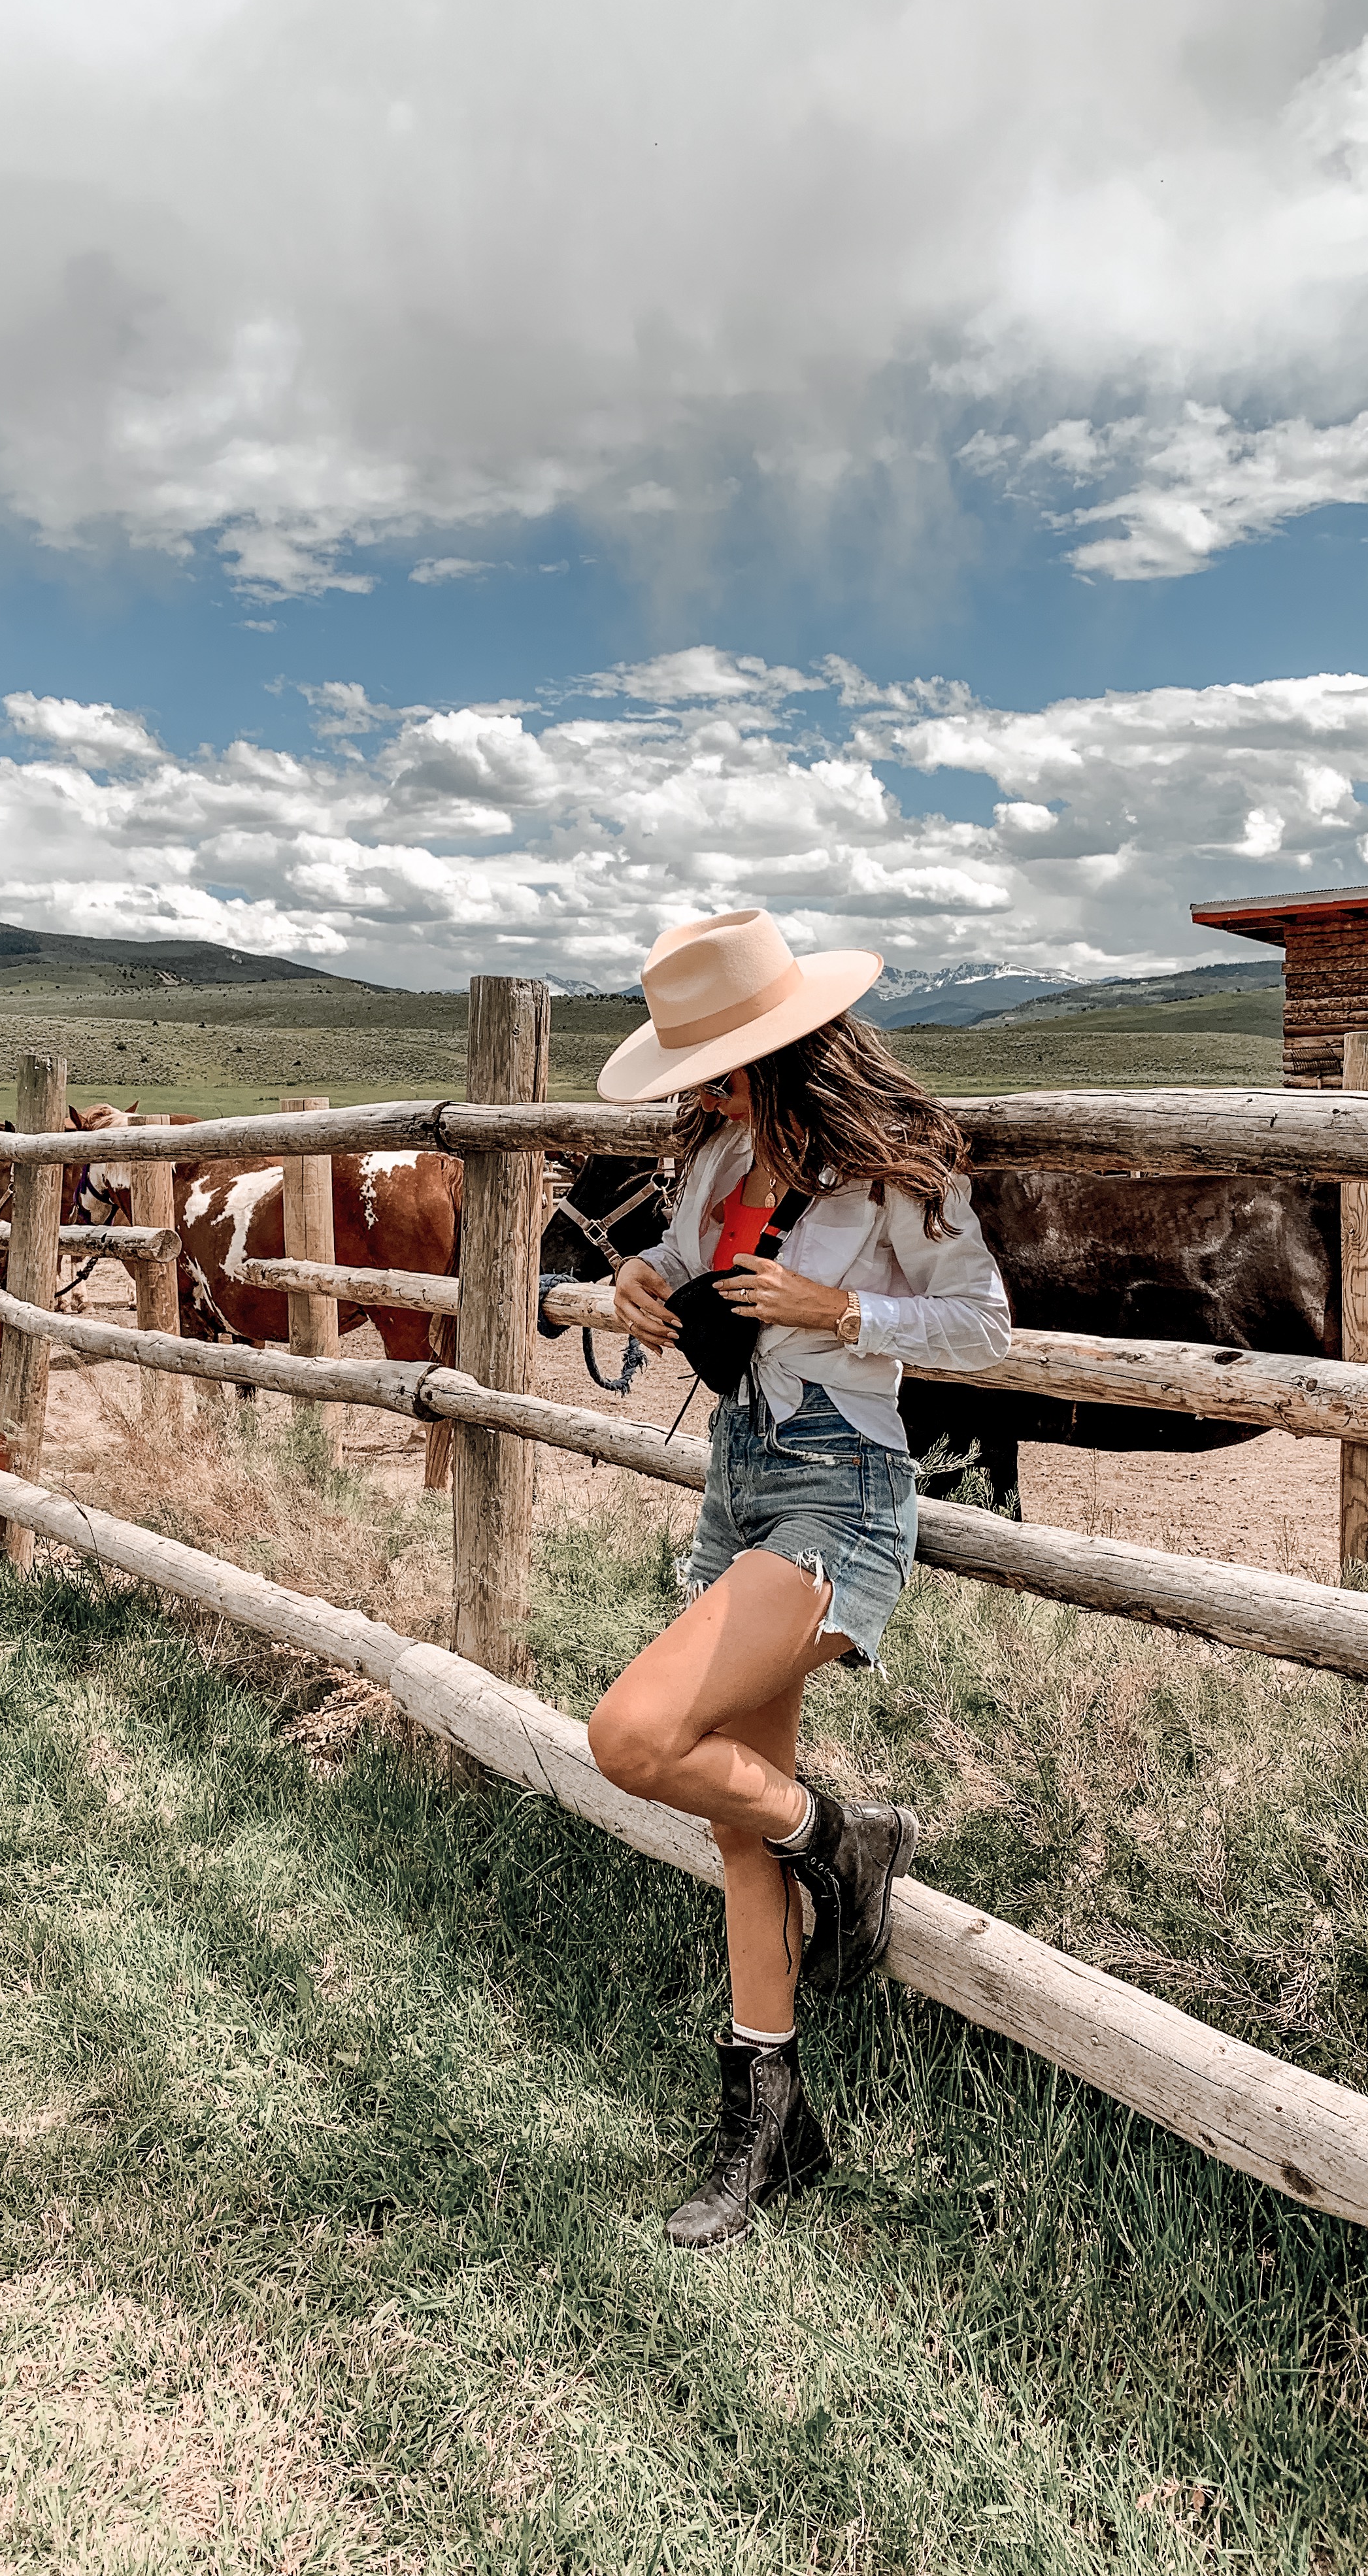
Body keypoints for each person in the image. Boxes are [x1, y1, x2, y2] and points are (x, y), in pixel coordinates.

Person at [584, 909, 1012, 2249]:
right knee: (733, 1820)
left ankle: (849, 1840)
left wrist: (848, 1314)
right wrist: (638, 1291)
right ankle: (770, 2124)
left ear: (779, 1043)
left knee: (635, 1737)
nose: (706, 1090)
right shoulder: (716, 1155)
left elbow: (987, 1327)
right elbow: (674, 1261)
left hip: (843, 1487)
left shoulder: (897, 1167)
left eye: (721, 1064)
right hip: (740, 1477)